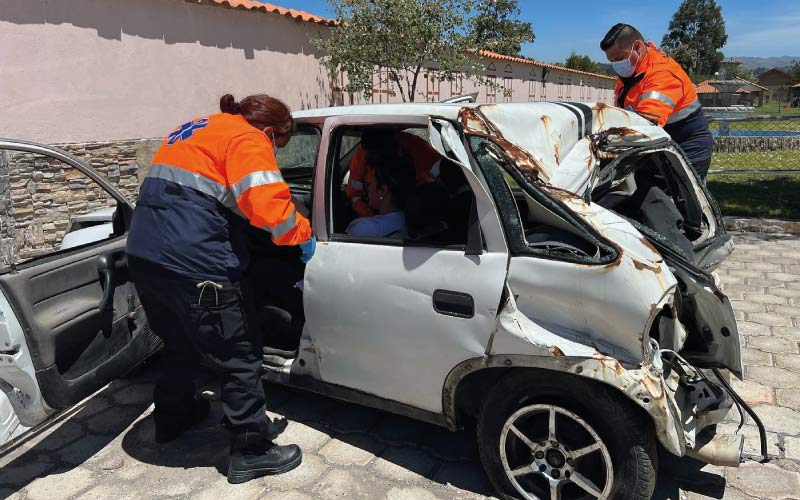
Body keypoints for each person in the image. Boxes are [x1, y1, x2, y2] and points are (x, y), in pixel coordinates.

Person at [126, 93, 315, 484]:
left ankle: (173, 418)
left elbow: (208, 194)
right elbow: (270, 211)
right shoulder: (249, 139)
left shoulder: (197, 128)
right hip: (196, 262)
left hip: (145, 256)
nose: (275, 154)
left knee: (180, 341)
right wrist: (304, 235)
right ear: (269, 131)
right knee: (241, 352)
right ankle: (251, 450)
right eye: (279, 145)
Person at [601, 23, 714, 179]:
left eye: (619, 58)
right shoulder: (630, 73)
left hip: (687, 146)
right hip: (659, 144)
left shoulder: (662, 73)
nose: (617, 65)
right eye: (612, 61)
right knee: (645, 190)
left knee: (675, 198)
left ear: (638, 47)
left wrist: (605, 142)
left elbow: (648, 123)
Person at [347, 129, 441, 217]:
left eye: (378, 151)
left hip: (417, 206)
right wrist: (375, 218)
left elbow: (444, 177)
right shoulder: (362, 155)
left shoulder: (415, 146)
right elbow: (355, 196)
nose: (373, 155)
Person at [346, 155, 416, 238]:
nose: (368, 187)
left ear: (383, 190)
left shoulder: (362, 228)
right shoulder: (414, 224)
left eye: (371, 182)